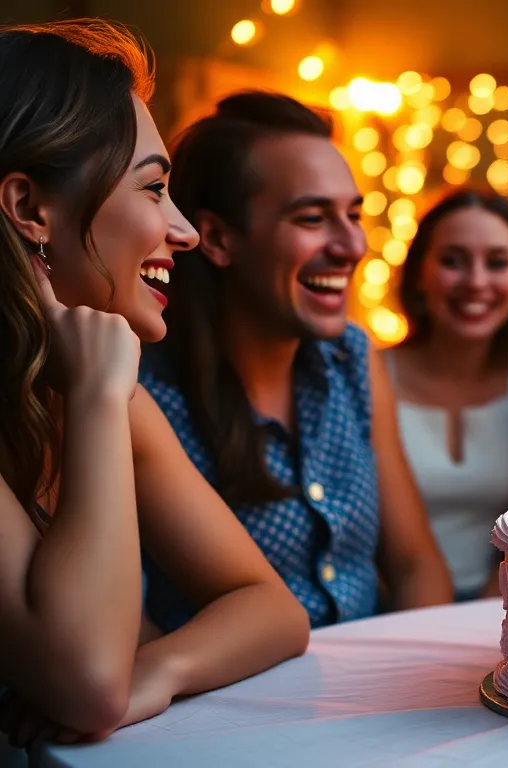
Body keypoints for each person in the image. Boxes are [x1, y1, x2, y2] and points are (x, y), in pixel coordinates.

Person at [0, 21, 308, 746]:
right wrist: (98, 397)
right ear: (30, 210)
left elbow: (273, 610)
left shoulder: (98, 388)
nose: (186, 231)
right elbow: (89, 687)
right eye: (154, 189)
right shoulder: (101, 389)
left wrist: (159, 670)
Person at [139, 91, 453, 631]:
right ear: (216, 238)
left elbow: (414, 563)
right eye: (312, 218)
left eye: (353, 215)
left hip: (376, 674)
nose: (352, 246)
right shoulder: (146, 394)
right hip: (230, 686)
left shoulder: (352, 357)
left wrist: (422, 669)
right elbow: (129, 627)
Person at [386, 187, 508, 601]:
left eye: (497, 263)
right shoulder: (372, 373)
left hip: (502, 602)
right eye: (452, 261)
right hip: (389, 607)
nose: (476, 282)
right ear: (419, 274)